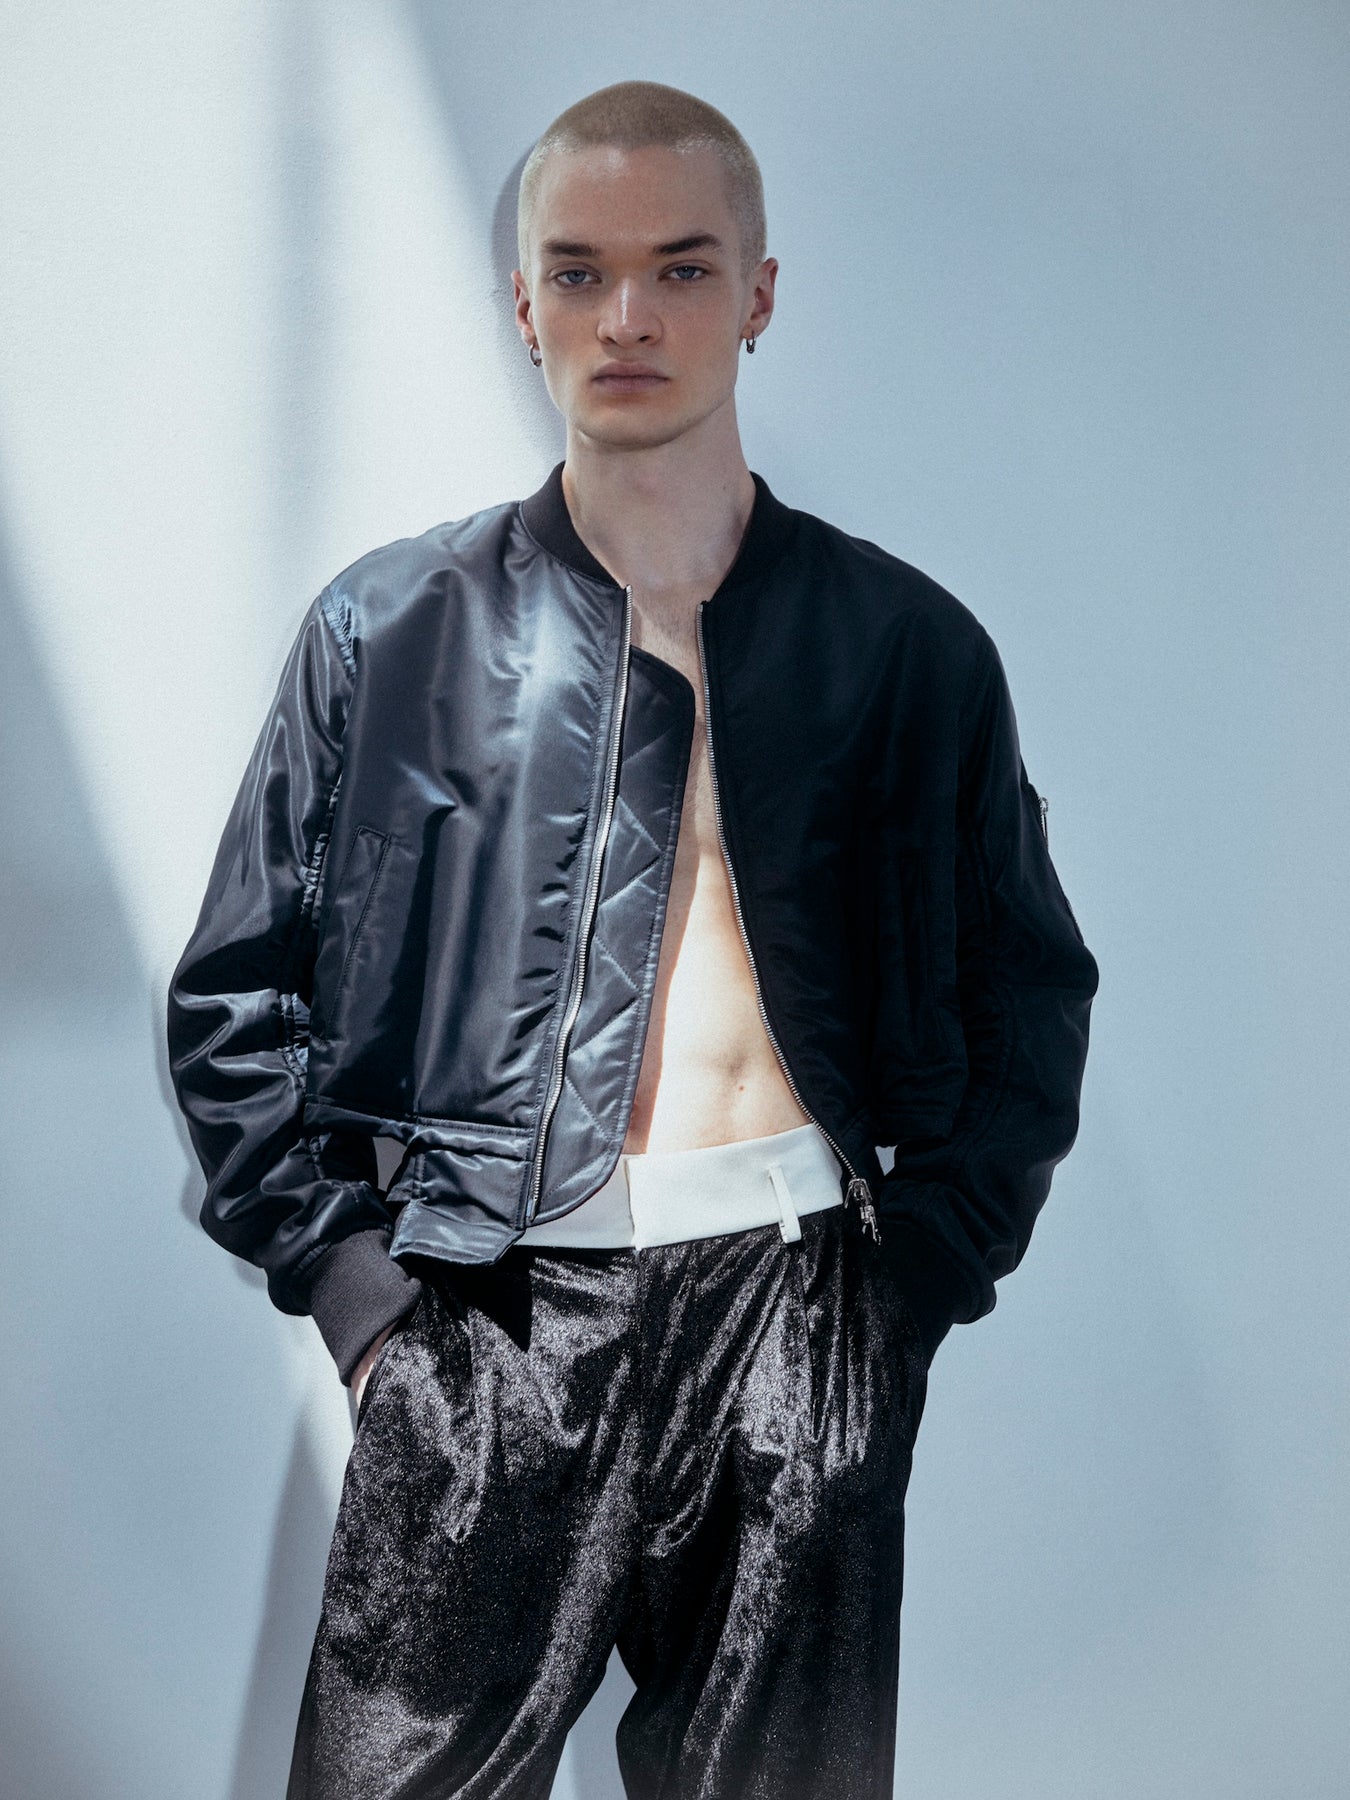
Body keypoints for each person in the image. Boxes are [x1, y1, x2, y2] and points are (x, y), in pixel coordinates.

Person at [166, 78, 1098, 1800]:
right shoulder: (390, 630)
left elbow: (1027, 996)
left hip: (796, 1307)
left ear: (758, 291)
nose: (627, 319)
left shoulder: (903, 648)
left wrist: (906, 1297)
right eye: (579, 273)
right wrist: (370, 1312)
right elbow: (235, 1004)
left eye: (679, 268)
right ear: (523, 303)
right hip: (487, 1318)